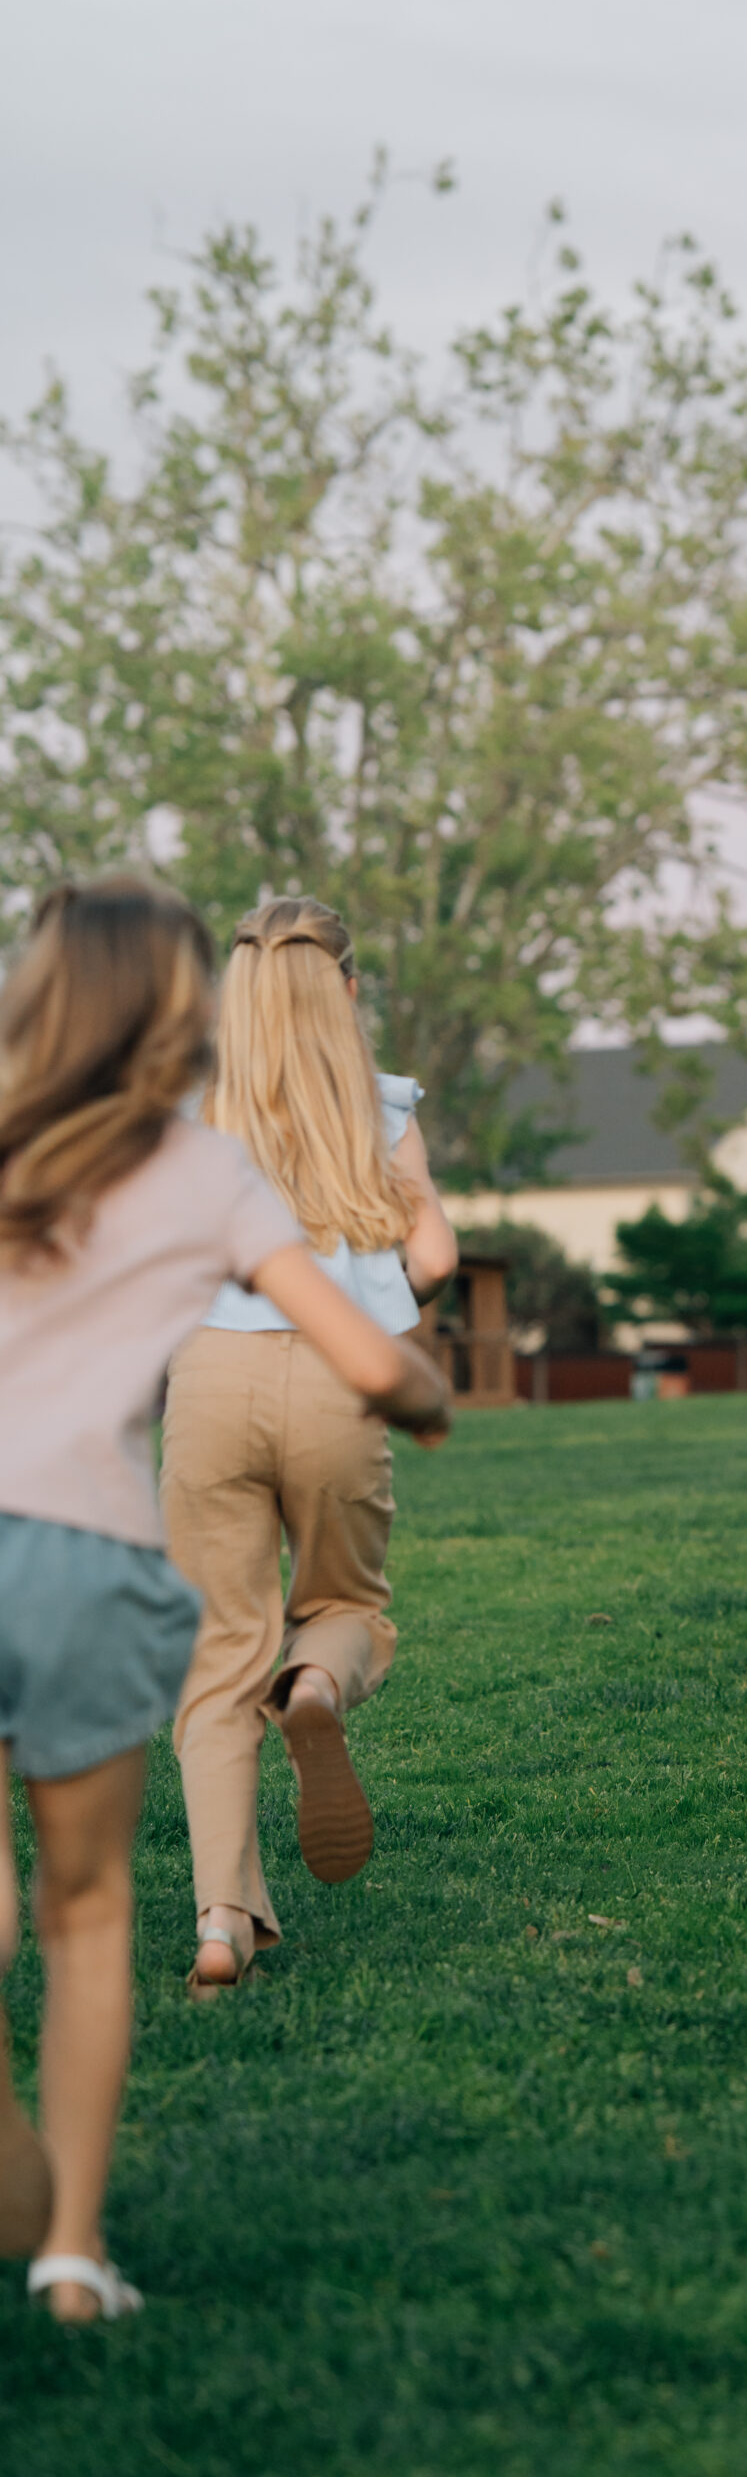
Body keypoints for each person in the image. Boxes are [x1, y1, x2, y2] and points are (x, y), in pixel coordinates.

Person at [0, 877, 449, 2323]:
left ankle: (215, 1919)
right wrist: (417, 1387)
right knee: (85, 1905)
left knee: (190, 1691)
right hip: (105, 1530)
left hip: (181, 1413)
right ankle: (71, 2248)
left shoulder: (118, 1122)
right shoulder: (236, 1150)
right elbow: (402, 1307)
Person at [161, 898, 459, 2000]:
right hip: (339, 1377)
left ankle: (220, 1925)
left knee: (214, 1655)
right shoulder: (378, 1110)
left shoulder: (189, 1105)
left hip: (210, 1384)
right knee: (345, 1606)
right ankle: (318, 1689)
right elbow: (435, 1248)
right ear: (343, 990)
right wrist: (374, 1286)